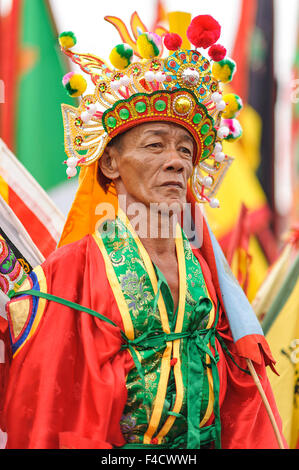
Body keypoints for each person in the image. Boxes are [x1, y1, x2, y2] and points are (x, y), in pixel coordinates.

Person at [0, 12, 286, 449]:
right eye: (154, 145)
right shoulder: (71, 274)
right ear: (110, 163)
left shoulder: (205, 267)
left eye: (186, 150)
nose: (177, 161)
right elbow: (54, 412)